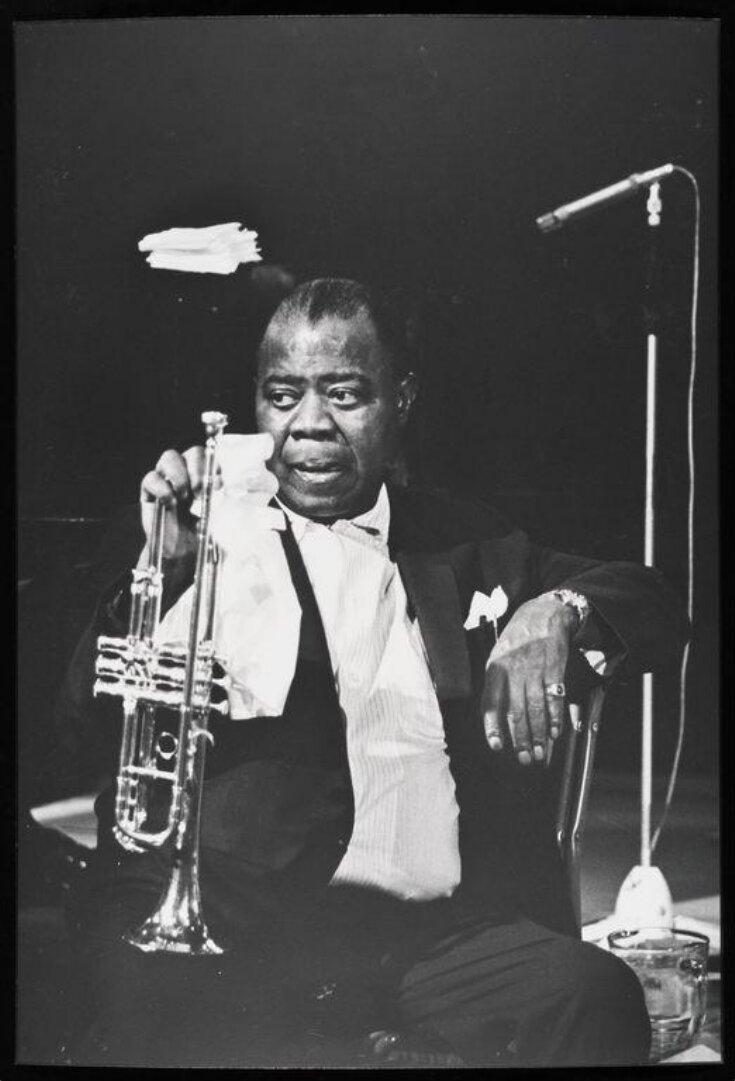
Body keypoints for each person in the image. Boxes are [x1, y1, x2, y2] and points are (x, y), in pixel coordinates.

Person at [59, 277, 689, 1068]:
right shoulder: (193, 527)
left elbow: (652, 600)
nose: (308, 425)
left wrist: (551, 611)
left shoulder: (465, 544)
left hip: (432, 931)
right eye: (282, 395)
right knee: (147, 990)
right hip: (243, 916)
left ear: (401, 400)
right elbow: (79, 721)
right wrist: (167, 574)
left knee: (586, 993)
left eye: (345, 394)